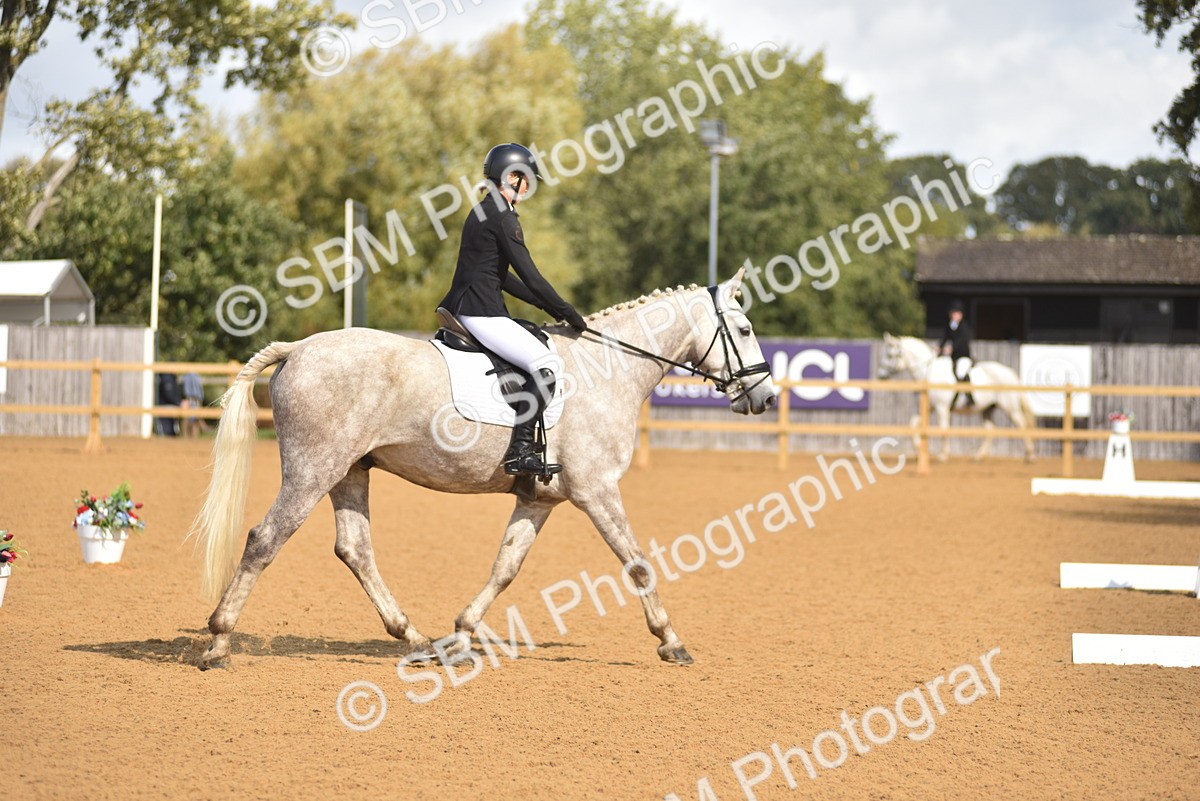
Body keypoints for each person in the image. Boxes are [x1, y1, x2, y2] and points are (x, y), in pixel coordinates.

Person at [438, 143, 587, 477]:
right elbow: (530, 275)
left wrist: (546, 307)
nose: (527, 187)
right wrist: (567, 310)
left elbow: (498, 276)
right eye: (525, 179)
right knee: (546, 364)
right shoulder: (503, 217)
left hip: (466, 305)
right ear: (513, 177)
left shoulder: (481, 210)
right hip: (481, 312)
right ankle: (520, 451)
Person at [938, 299, 974, 406]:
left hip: (963, 355)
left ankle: (969, 397)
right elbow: (945, 338)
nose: (954, 315)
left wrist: (952, 348)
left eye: (956, 313)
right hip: (953, 357)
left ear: (961, 314)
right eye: (952, 313)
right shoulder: (950, 325)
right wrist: (939, 348)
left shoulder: (964, 327)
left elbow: (962, 341)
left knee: (961, 372)